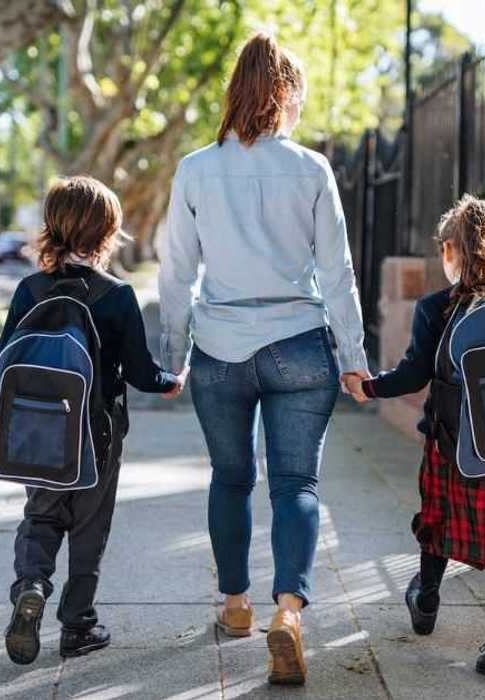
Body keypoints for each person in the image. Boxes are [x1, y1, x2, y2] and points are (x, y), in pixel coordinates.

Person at [158, 32, 369, 686]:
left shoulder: (195, 168)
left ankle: (235, 606)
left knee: (229, 478)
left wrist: (171, 355)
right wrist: (355, 358)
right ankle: (289, 612)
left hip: (220, 347)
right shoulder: (311, 170)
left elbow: (175, 273)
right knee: (295, 485)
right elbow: (338, 274)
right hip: (298, 344)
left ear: (236, 92)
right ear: (287, 94)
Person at [0, 176, 183, 665]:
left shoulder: (30, 289)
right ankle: (78, 625)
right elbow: (140, 373)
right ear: (107, 232)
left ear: (51, 226)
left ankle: (30, 586)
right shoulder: (117, 296)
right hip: (98, 433)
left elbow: (0, 363)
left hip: (38, 434)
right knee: (89, 527)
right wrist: (170, 381)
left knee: (41, 515)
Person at [344, 194, 485, 678]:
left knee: (438, 518)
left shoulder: (436, 308)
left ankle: (426, 598)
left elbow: (412, 375)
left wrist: (368, 387)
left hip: (451, 442)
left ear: (451, 249)